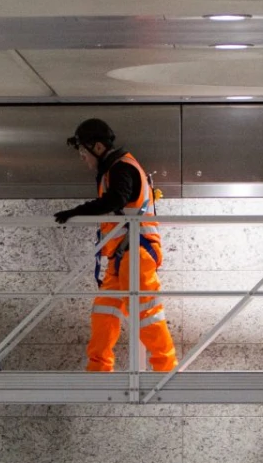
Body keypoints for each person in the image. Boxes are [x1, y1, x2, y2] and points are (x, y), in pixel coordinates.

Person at [54, 117, 177, 374]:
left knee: (146, 312)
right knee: (104, 312)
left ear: (97, 147)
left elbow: (116, 199)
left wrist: (76, 211)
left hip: (137, 252)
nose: (82, 158)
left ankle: (166, 370)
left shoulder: (122, 168)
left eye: (83, 152)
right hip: (122, 254)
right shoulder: (115, 169)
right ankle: (98, 369)